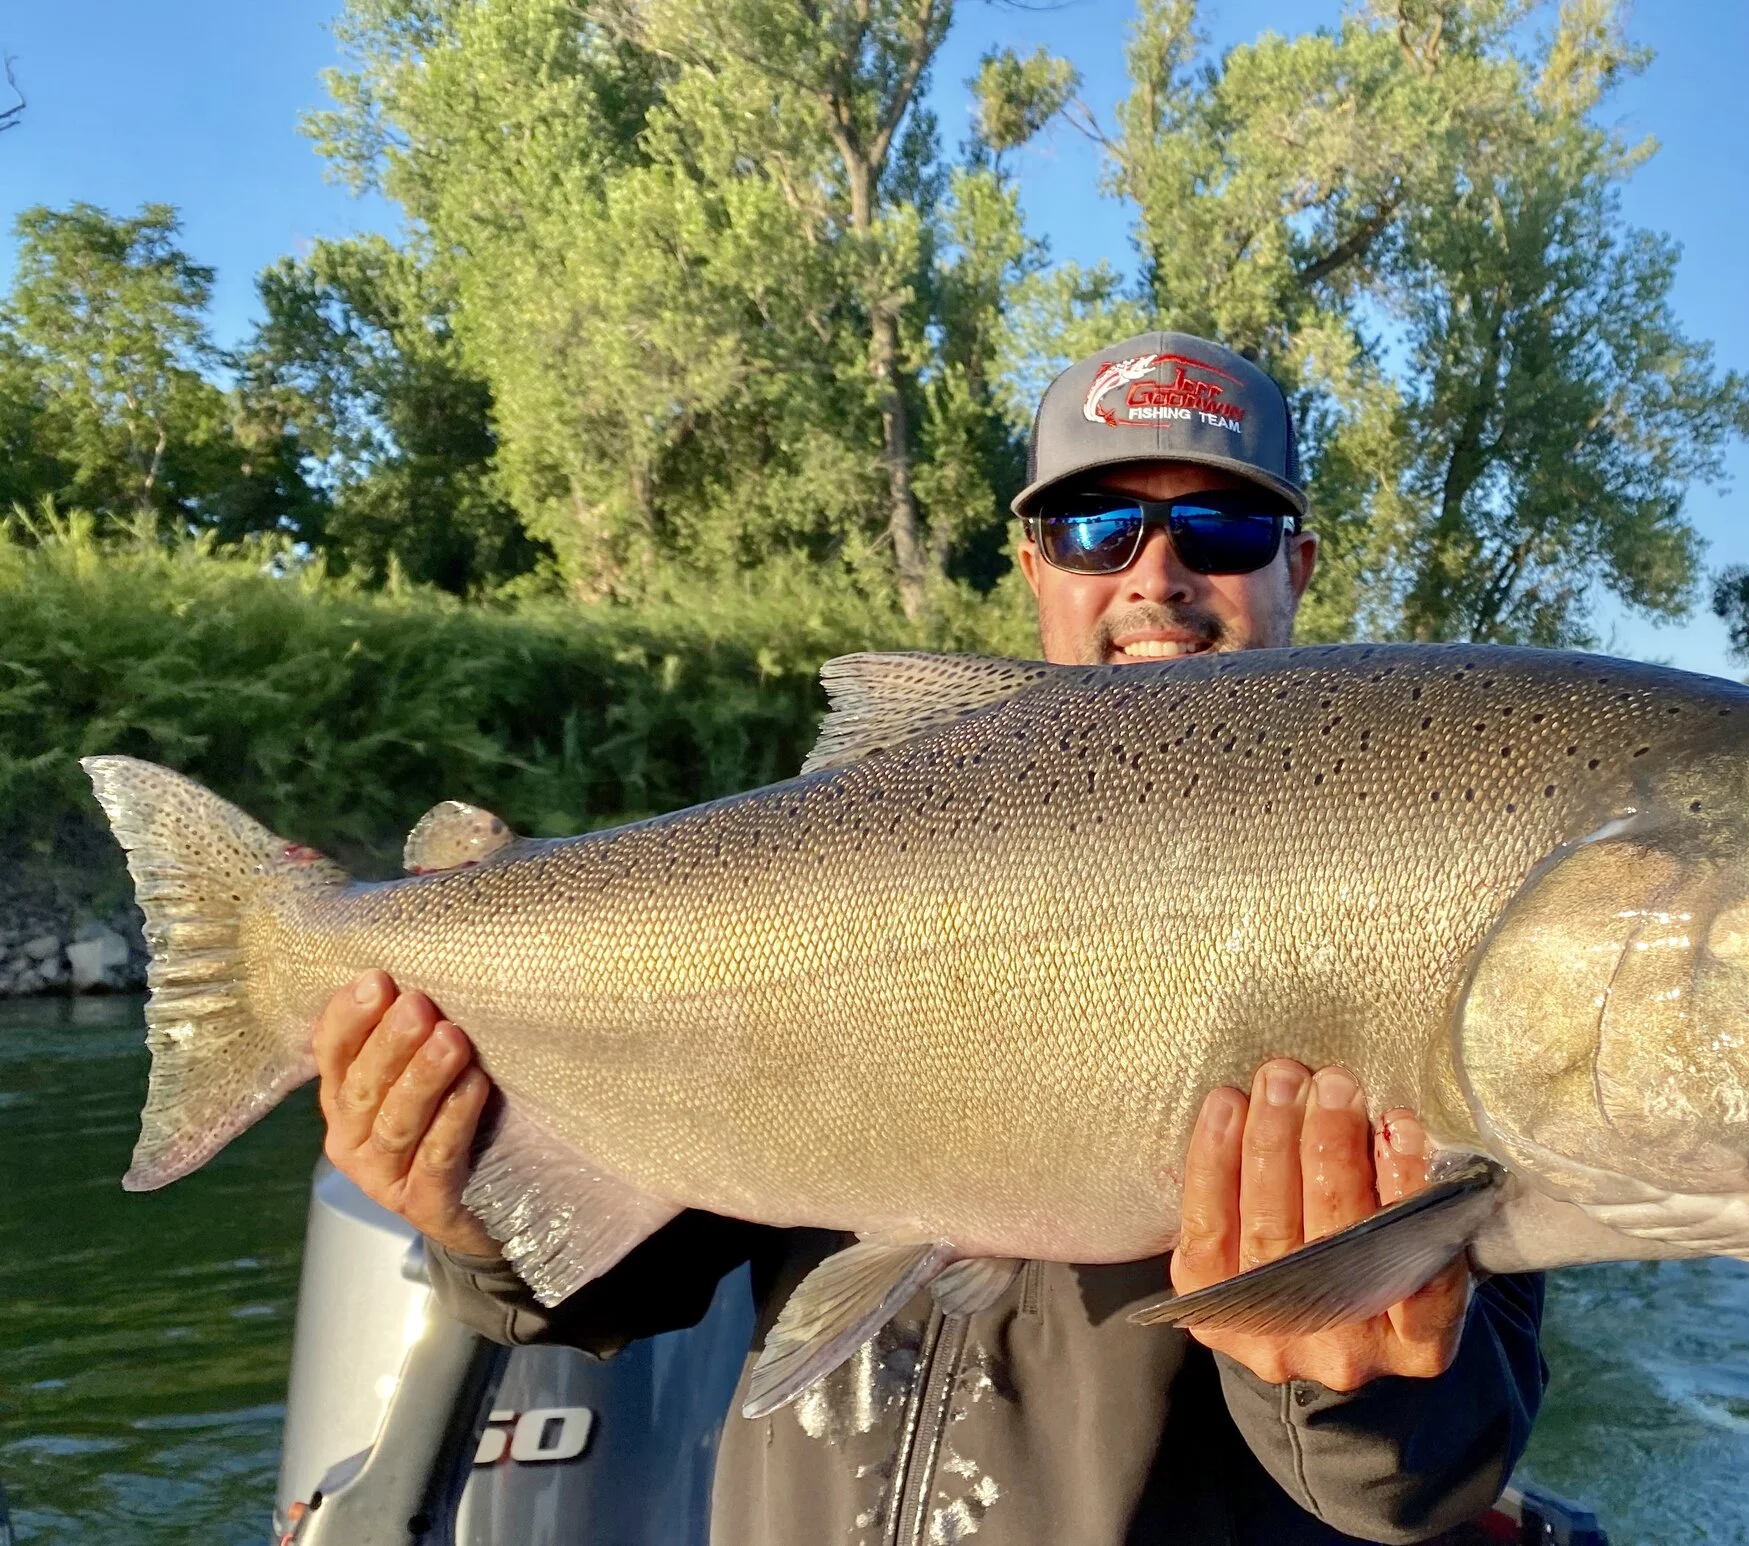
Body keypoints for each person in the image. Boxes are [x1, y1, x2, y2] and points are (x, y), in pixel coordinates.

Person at [308, 332, 1546, 1544]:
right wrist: (475, 1224)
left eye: (1221, 530)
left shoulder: (1414, 881)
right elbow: (625, 1279)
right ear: (1032, 564)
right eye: (1095, 527)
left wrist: (1356, 1387)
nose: (1155, 576)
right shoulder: (837, 872)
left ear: (1297, 567)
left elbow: (1425, 1473)